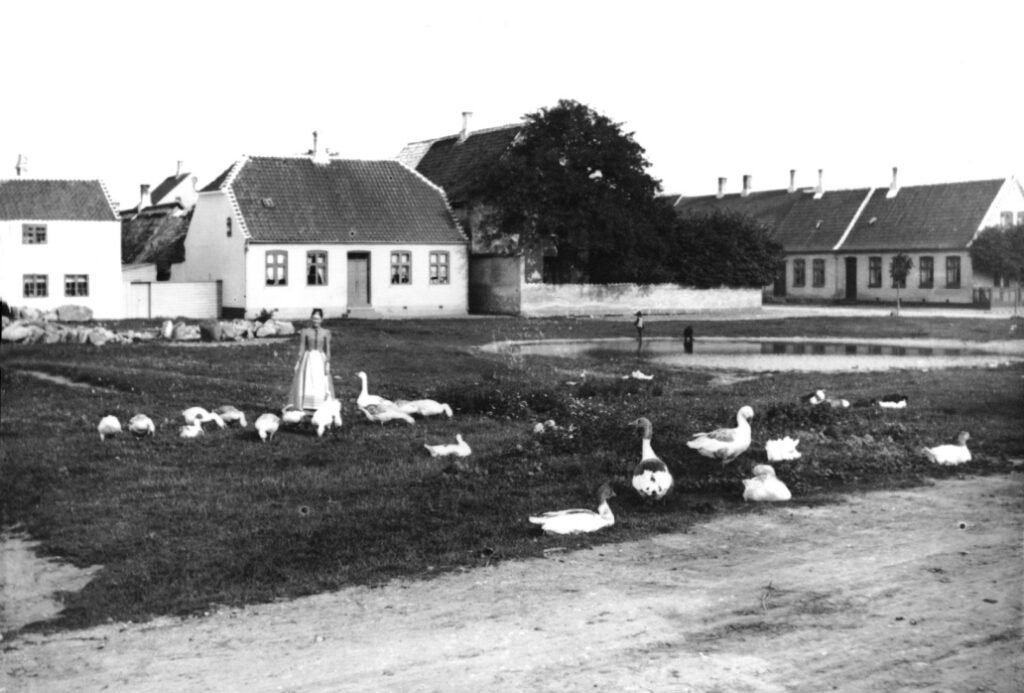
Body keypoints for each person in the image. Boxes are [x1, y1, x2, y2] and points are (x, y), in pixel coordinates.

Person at [287, 308, 336, 411]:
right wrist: (298, 362)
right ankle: (306, 405)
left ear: (322, 320)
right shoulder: (305, 331)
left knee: (319, 381)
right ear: (311, 319)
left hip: (320, 359)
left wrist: (327, 364)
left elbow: (327, 350)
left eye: (318, 319)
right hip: (308, 359)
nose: (315, 321)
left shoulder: (326, 332)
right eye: (314, 318)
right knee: (307, 380)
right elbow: (302, 348)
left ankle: (319, 405)